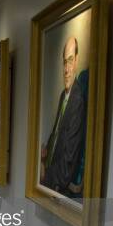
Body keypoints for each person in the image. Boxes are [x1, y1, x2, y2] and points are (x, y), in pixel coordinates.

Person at [41, 37, 86, 195]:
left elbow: (69, 158)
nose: (66, 69)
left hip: (60, 185)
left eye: (71, 60)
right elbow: (58, 131)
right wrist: (46, 150)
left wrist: (46, 178)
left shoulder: (77, 99)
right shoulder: (64, 95)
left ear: (77, 61)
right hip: (51, 173)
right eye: (64, 62)